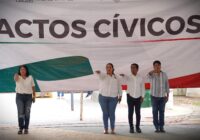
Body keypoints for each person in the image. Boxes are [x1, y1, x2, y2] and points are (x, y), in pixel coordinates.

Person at [95, 63, 122, 134]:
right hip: (103, 97)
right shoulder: (103, 76)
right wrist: (99, 72)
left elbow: (120, 87)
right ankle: (106, 129)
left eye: (110, 67)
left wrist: (120, 95)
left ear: (113, 68)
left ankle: (112, 129)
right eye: (107, 67)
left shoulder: (117, 77)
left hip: (113, 98)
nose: (108, 68)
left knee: (112, 113)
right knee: (105, 113)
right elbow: (100, 75)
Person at [120, 63, 145, 133]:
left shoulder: (141, 77)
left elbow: (143, 88)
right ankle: (131, 127)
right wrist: (123, 75)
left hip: (138, 98)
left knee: (138, 113)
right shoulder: (128, 77)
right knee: (130, 113)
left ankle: (138, 127)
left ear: (137, 69)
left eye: (134, 68)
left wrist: (142, 96)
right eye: (131, 68)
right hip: (130, 97)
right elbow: (124, 78)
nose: (132, 69)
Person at [148, 60, 169, 133]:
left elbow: (167, 85)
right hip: (154, 96)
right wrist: (153, 71)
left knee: (162, 112)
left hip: (162, 97)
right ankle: (156, 127)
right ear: (153, 67)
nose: (157, 67)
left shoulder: (164, 74)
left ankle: (161, 127)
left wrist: (167, 96)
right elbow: (147, 76)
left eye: (158, 65)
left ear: (160, 66)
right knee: (154, 112)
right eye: (155, 66)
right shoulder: (151, 75)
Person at [14, 65, 36, 135]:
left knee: (27, 113)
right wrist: (16, 75)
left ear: (26, 70)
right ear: (19, 71)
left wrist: (34, 96)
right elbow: (15, 78)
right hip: (19, 97)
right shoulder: (18, 77)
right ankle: (21, 128)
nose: (22, 71)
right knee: (21, 113)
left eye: (23, 69)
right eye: (21, 69)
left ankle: (26, 128)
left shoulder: (30, 77)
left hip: (28, 97)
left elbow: (33, 87)